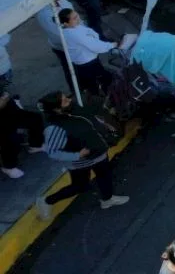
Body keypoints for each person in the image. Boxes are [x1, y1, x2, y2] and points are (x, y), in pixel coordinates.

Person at [36, 91, 128, 218]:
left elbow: (89, 119)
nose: (68, 100)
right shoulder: (54, 128)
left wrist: (104, 124)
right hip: (79, 162)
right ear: (56, 109)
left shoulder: (75, 108)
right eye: (64, 101)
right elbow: (53, 152)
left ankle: (107, 199)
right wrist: (77, 155)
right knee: (79, 186)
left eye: (66, 98)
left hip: (98, 151)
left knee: (105, 175)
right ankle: (47, 201)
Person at [0, 43, 44, 179]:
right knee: (11, 140)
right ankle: (8, 166)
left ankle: (35, 145)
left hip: (10, 111)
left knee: (35, 119)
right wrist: (4, 100)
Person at [58, 8, 118, 96]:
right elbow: (95, 45)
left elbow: (90, 33)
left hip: (86, 62)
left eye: (77, 15)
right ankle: (109, 99)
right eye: (74, 18)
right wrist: (113, 45)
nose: (78, 18)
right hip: (88, 64)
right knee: (102, 81)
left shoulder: (73, 28)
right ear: (66, 23)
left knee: (96, 81)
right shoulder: (74, 34)